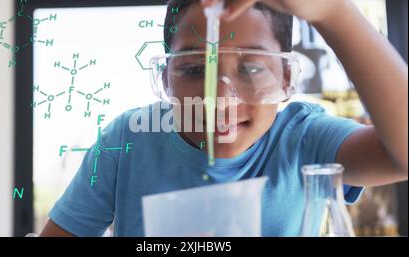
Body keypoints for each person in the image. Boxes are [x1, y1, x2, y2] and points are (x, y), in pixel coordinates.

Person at [40, 0, 408, 236]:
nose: (219, 100)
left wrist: (334, 13)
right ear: (166, 77)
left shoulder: (304, 138)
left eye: (251, 68)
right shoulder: (126, 142)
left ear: (286, 77)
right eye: (195, 67)